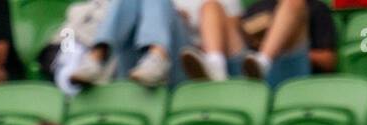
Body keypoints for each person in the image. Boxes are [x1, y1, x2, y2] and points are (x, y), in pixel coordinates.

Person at [69, 0, 244, 87]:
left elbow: (233, 43)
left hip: (187, 66)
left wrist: (178, 21)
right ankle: (96, 58)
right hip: (136, 64)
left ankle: (157, 56)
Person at [180, 0, 338, 84]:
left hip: (287, 67)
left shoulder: (316, 7)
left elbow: (329, 60)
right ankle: (215, 65)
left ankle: (263, 61)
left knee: (293, 3)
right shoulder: (257, 7)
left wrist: (278, 42)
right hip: (248, 73)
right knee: (211, 6)